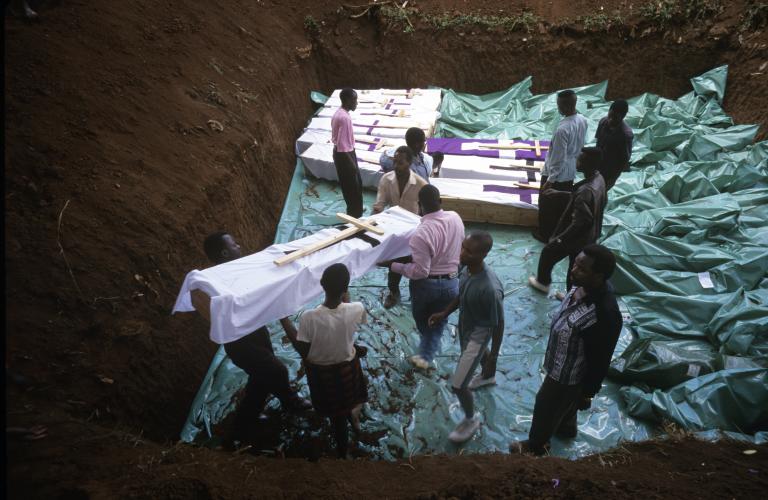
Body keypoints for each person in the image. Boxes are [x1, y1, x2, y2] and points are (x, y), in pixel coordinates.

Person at [196, 232, 311, 445]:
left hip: (255, 331)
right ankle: (284, 403)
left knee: (261, 379)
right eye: (234, 244)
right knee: (276, 370)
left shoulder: (239, 270)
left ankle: (252, 419)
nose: (238, 246)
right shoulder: (219, 282)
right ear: (224, 252)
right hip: (240, 343)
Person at [512, 244, 622, 456]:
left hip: (567, 374)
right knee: (565, 404)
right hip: (560, 360)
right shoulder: (580, 285)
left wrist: (588, 392)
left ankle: (536, 447)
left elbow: (601, 357)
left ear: (598, 276)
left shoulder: (604, 313)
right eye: (575, 264)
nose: (573, 270)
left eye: (582, 268)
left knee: (546, 405)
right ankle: (566, 428)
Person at [282, 263, 368, 459]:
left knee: (336, 417)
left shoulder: (309, 317)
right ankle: (353, 420)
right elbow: (347, 307)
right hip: (348, 367)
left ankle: (342, 452)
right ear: (346, 289)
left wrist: (284, 319)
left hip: (324, 374)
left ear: (321, 284)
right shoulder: (357, 308)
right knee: (348, 401)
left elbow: (303, 350)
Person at [428, 231, 504, 443]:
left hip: (478, 335)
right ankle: (487, 376)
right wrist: (444, 313)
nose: (462, 254)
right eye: (462, 247)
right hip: (466, 326)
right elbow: (461, 296)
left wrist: (494, 357)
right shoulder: (466, 270)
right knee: (471, 358)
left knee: (458, 385)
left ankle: (471, 419)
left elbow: (498, 325)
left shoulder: (490, 289)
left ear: (484, 255)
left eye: (469, 252)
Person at [380, 185, 464, 369]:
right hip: (452, 282)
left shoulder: (421, 234)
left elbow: (421, 272)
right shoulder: (456, 218)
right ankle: (429, 349)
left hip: (427, 286)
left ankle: (426, 353)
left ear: (419, 205)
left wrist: (392, 265)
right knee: (439, 318)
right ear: (440, 201)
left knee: (423, 319)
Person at [529, 147, 606, 297]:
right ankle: (572, 296)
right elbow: (583, 198)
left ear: (588, 164)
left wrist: (561, 238)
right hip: (590, 236)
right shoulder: (599, 179)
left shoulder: (585, 191)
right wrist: (560, 194)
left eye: (580, 160)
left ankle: (543, 283)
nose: (576, 162)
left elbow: (581, 221)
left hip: (576, 238)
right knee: (575, 265)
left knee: (548, 252)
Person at [373, 146, 429, 309]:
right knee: (394, 269)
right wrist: (375, 214)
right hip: (395, 233)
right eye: (395, 162)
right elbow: (380, 204)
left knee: (419, 269)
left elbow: (427, 210)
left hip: (415, 233)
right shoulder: (386, 179)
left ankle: (418, 296)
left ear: (410, 163)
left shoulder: (421, 184)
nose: (396, 166)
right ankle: (394, 293)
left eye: (401, 163)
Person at [534, 90, 588, 243]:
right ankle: (559, 231)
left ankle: (546, 234)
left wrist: (550, 180)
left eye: (558, 105)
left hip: (558, 173)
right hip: (570, 170)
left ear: (563, 106)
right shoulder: (582, 120)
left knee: (547, 206)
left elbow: (558, 157)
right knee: (562, 205)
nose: (557, 107)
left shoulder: (562, 129)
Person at [332, 88, 363, 218]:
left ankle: (355, 211)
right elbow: (342, 146)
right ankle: (355, 215)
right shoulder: (344, 118)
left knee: (354, 185)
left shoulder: (340, 113)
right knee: (352, 187)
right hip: (344, 155)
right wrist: (352, 164)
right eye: (355, 100)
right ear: (347, 100)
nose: (356, 103)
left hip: (344, 153)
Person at [595, 99, 634, 190]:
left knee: (602, 190)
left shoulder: (625, 134)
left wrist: (613, 178)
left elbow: (624, 159)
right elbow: (598, 143)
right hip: (597, 164)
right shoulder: (603, 122)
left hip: (610, 169)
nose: (611, 120)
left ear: (623, 116)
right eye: (610, 115)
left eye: (615, 117)